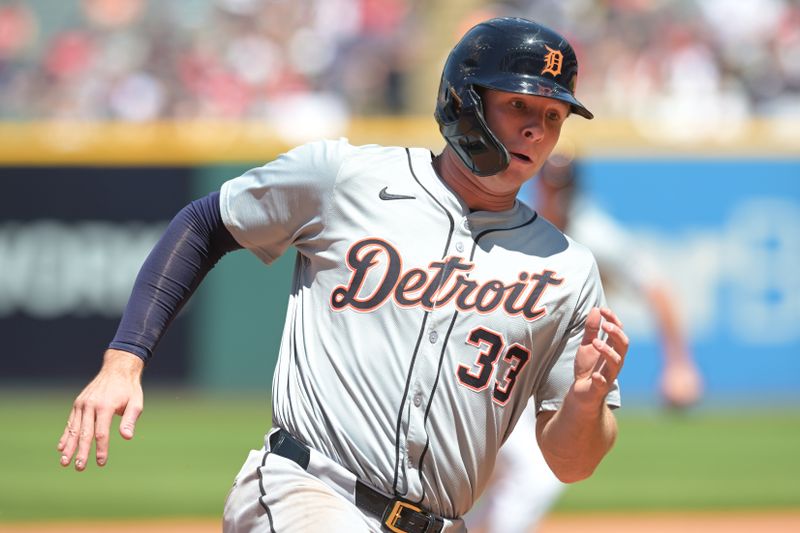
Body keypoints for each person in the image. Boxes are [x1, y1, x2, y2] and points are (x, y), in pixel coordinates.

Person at [57, 17, 629, 533]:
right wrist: (123, 360)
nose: (537, 129)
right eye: (519, 106)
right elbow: (208, 222)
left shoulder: (567, 269)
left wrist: (585, 402)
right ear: (466, 103)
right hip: (308, 491)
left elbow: (569, 463)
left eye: (553, 116)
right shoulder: (344, 178)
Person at [465, 153, 703, 533]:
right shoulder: (519, 221)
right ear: (540, 183)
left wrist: (679, 364)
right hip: (500, 367)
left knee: (519, 475)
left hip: (545, 376)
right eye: (551, 182)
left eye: (564, 184)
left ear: (576, 187)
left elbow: (658, 290)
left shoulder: (594, 234)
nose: (556, 190)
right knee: (511, 475)